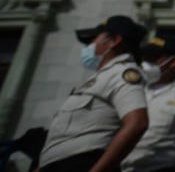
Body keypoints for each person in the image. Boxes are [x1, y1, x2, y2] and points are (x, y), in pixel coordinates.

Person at [39, 15, 149, 172]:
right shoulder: (100, 77)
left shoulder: (123, 72)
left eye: (93, 40)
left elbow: (137, 123)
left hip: (82, 162)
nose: (89, 47)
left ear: (114, 41)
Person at [121, 37, 175, 172]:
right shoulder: (132, 88)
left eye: (152, 59)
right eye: (144, 58)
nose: (145, 63)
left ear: (173, 62)